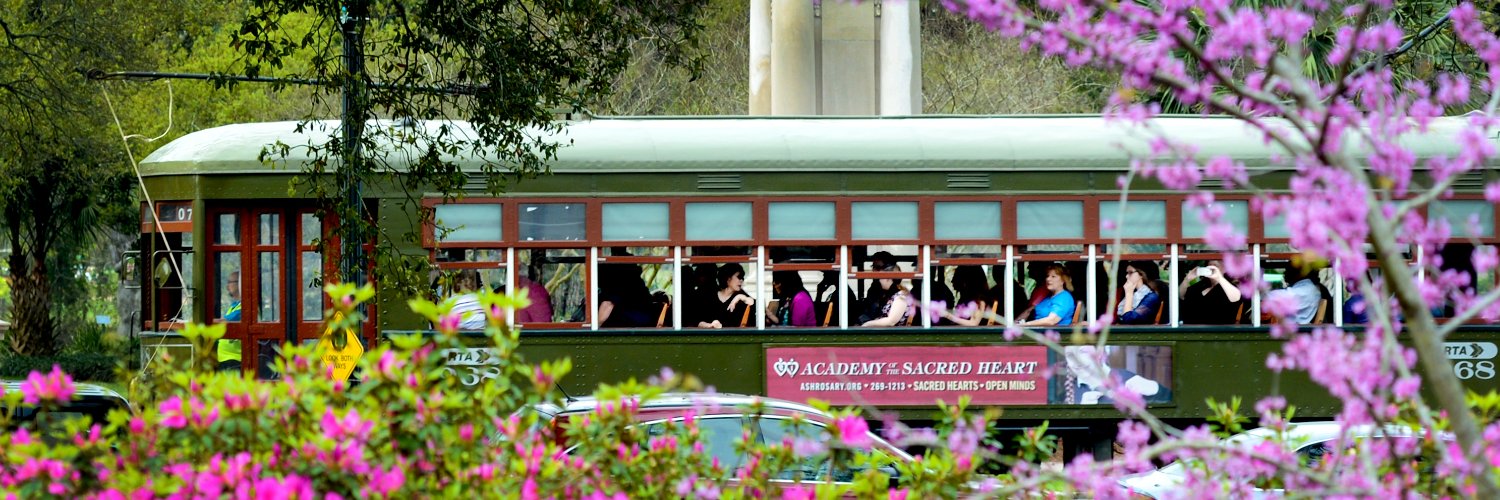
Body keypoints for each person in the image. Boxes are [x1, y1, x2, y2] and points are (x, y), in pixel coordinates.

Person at [1064, 345, 1170, 404]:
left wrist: (1156, 390)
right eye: (1069, 355)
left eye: (1083, 352)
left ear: (1100, 352)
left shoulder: (1127, 380)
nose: (1076, 361)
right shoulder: (1064, 394)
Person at [1179, 260, 1245, 324]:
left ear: (1225, 269)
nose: (1212, 269)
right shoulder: (1199, 286)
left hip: (1218, 332)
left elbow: (1236, 298)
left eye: (1216, 266)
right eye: (1209, 266)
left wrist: (1219, 278)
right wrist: (1187, 279)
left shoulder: (1229, 287)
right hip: (1191, 330)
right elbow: (1181, 296)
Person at [698, 263, 754, 328]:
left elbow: (754, 304)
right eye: (739, 277)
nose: (741, 280)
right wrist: (710, 325)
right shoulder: (710, 296)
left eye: (742, 278)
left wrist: (739, 297)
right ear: (728, 278)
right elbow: (698, 321)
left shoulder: (741, 295)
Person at [598, 263, 654, 328]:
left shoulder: (616, 284)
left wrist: (596, 326)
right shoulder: (637, 282)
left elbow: (607, 305)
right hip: (645, 321)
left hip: (632, 323)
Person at [860, 262, 913, 327]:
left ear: (887, 278)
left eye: (881, 277)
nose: (879, 280)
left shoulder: (901, 296)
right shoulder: (892, 295)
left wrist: (867, 324)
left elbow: (891, 321)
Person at [217, 270, 242, 372]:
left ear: (240, 284)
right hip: (225, 359)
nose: (227, 286)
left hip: (234, 361)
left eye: (230, 282)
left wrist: (200, 320)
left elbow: (224, 322)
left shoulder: (245, 308)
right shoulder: (234, 306)